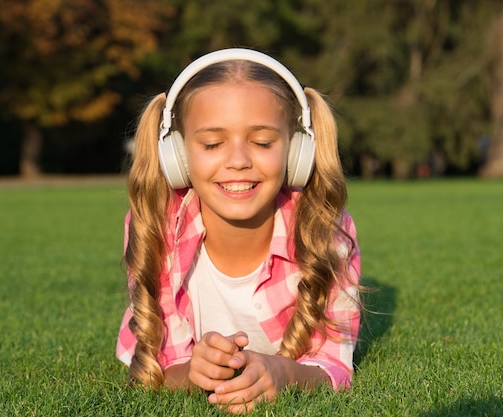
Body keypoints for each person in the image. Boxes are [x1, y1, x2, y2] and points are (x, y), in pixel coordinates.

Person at [116, 48, 361, 414]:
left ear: (297, 152)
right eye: (212, 144)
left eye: (262, 142)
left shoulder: (325, 231)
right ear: (178, 156)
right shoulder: (157, 225)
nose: (238, 161)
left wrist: (284, 372)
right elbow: (160, 366)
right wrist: (191, 372)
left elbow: (335, 367)